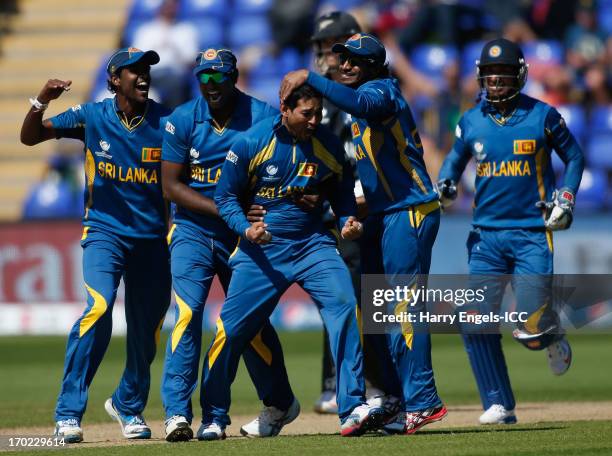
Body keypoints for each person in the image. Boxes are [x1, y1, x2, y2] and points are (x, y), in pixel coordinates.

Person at [280, 33, 447, 434]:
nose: (346, 65)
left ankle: (422, 401)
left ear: (375, 65)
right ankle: (393, 396)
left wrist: (311, 76)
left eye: (356, 60)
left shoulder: (381, 92)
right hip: (383, 214)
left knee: (403, 308)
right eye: (342, 59)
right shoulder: (361, 100)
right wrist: (346, 211)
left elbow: (359, 102)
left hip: (409, 213)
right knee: (374, 309)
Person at [200, 84, 385, 439]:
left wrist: (347, 218)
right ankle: (213, 416)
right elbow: (224, 197)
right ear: (284, 109)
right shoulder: (251, 143)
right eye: (307, 114)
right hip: (262, 251)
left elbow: (341, 191)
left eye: (318, 113)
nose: (315, 120)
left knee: (344, 306)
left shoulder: (328, 144)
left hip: (313, 245)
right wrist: (245, 228)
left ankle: (351, 407)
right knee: (232, 331)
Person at [20, 48, 172, 443]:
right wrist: (42, 100)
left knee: (146, 329)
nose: (142, 77)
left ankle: (129, 404)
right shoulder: (92, 117)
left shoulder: (166, 122)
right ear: (113, 80)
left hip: (153, 240)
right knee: (100, 306)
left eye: (146, 71)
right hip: (104, 234)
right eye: (133, 71)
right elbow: (30, 137)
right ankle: (68, 413)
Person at [437, 38, 585, 425]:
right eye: (490, 75)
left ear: (518, 75)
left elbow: (574, 156)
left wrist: (565, 198)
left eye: (503, 75)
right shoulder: (470, 120)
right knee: (473, 319)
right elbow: (454, 161)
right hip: (485, 237)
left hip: (532, 232)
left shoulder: (543, 116)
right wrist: (447, 183)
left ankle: (550, 334)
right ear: (480, 78)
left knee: (531, 329)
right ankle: (499, 404)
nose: (496, 82)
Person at [160, 47, 297, 442]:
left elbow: (280, 173)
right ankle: (178, 414)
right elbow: (171, 186)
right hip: (193, 230)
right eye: (204, 77)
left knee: (245, 325)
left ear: (234, 77)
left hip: (246, 235)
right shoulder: (182, 119)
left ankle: (280, 400)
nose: (211, 85)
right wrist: (227, 210)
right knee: (187, 314)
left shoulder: (265, 118)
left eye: (219, 77)